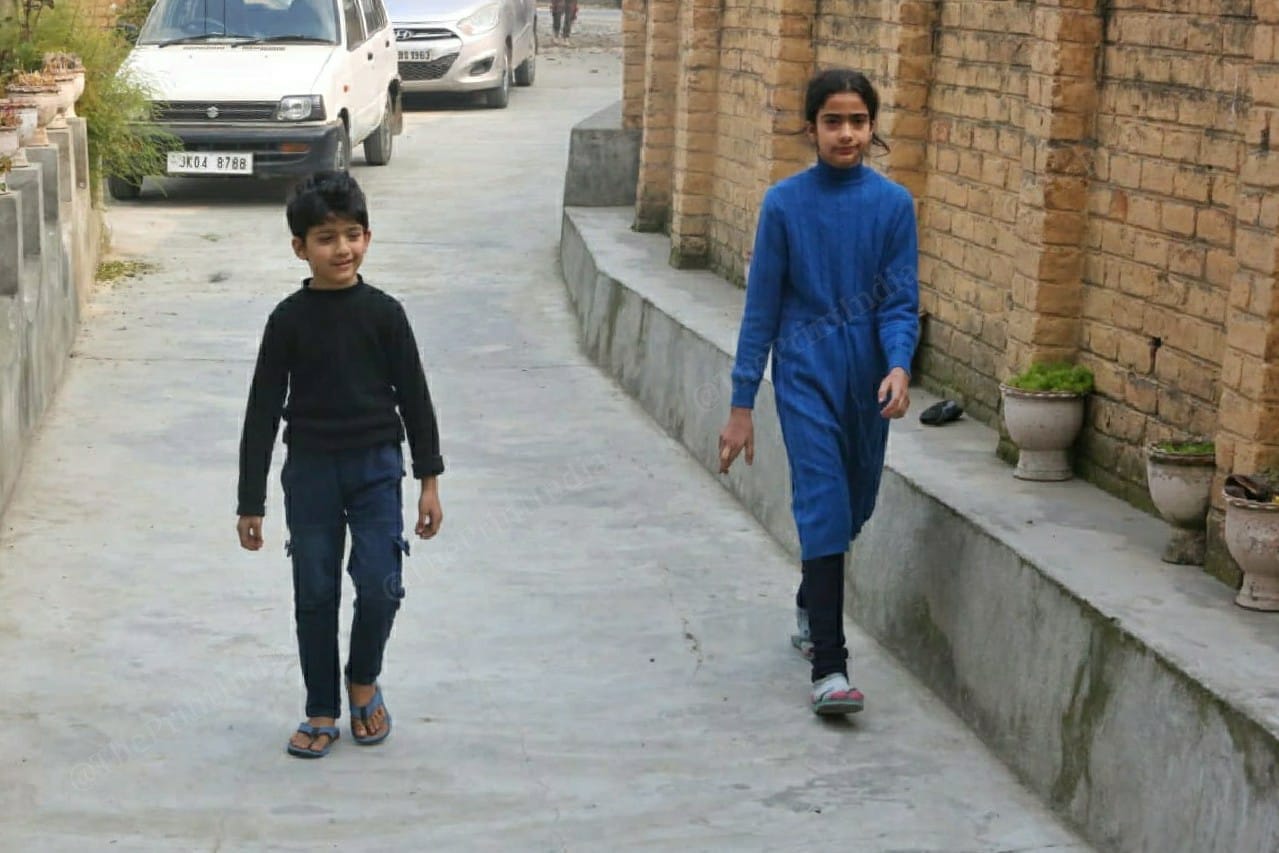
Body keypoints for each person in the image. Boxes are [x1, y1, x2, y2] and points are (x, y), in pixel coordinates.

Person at [718, 69, 919, 716]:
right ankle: (829, 666)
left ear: (872, 127)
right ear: (811, 129)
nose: (846, 133)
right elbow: (761, 310)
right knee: (824, 503)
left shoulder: (894, 206)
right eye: (833, 121)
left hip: (867, 382)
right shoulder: (784, 205)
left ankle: (811, 600)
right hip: (804, 372)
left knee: (856, 504)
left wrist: (898, 366)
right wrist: (742, 405)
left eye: (858, 121)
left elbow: (899, 301)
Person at [235, 171, 445, 758]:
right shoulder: (288, 320)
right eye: (326, 238)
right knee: (315, 591)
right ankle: (321, 708)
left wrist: (429, 481)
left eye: (353, 234)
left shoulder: (385, 314)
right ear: (299, 247)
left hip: (377, 467)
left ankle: (363, 680)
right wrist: (251, 501)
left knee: (381, 585)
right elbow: (261, 411)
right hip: (311, 472)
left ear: (368, 238)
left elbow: (416, 399)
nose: (342, 248)